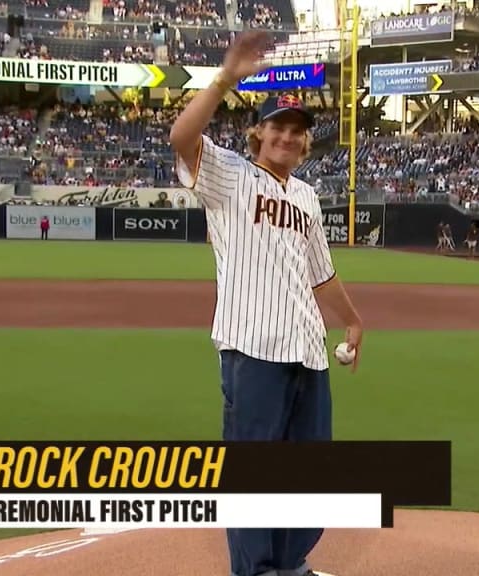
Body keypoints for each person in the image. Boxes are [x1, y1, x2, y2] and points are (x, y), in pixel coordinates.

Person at [169, 30, 364, 576]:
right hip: (252, 349)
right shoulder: (231, 176)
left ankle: (289, 562)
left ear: (305, 143)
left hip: (308, 352)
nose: (287, 136)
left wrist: (351, 321)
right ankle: (253, 570)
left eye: (297, 130)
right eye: (277, 125)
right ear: (258, 133)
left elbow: (321, 273)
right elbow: (182, 137)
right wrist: (225, 79)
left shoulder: (306, 197)